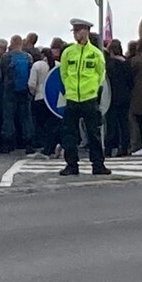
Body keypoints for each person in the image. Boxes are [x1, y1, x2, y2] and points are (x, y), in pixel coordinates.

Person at [59, 19, 110, 177]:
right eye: (74, 31)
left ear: (86, 32)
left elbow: (100, 73)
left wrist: (93, 89)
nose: (75, 34)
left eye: (78, 31)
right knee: (70, 134)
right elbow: (64, 72)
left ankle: (98, 164)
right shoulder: (68, 52)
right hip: (73, 98)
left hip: (89, 98)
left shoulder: (95, 54)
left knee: (93, 133)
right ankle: (71, 165)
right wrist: (69, 87)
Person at [0, 35, 35, 154]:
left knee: (8, 117)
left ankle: (7, 143)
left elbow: (2, 75)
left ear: (12, 43)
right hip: (25, 91)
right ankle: (29, 143)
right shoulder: (28, 57)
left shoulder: (6, 57)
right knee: (26, 118)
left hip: (10, 91)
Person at [28, 44, 59, 158]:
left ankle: (45, 147)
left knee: (41, 125)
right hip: (54, 99)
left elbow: (31, 83)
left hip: (40, 98)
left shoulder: (37, 65)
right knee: (53, 124)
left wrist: (34, 93)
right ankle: (52, 146)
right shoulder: (58, 65)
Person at [105, 39, 134, 157]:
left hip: (112, 97)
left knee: (111, 124)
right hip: (125, 97)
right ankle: (124, 147)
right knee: (124, 123)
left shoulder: (109, 65)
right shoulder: (126, 63)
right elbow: (131, 81)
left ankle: (109, 148)